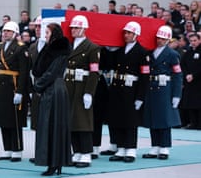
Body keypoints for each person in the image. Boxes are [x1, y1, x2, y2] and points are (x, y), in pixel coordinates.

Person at [107, 21, 150, 163]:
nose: (126, 35)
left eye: (129, 33)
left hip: (132, 89)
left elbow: (144, 76)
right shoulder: (120, 50)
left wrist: (140, 97)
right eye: (125, 33)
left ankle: (130, 149)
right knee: (118, 118)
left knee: (130, 120)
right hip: (118, 87)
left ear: (136, 34)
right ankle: (120, 148)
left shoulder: (142, 52)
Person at [32, 22, 71, 176]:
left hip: (53, 89)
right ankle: (55, 162)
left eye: (47, 32)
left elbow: (51, 73)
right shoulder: (52, 50)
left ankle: (54, 163)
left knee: (51, 126)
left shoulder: (59, 51)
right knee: (53, 126)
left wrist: (37, 86)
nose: (45, 35)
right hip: (54, 88)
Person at [142, 25, 182, 160]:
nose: (160, 40)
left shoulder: (172, 54)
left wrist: (177, 94)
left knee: (164, 119)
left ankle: (164, 147)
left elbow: (177, 74)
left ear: (168, 40)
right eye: (158, 37)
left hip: (165, 88)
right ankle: (155, 146)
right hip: (151, 86)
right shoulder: (150, 52)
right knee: (153, 117)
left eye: (163, 38)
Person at [65, 15, 100, 168]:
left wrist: (89, 93)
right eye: (72, 28)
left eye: (77, 28)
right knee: (71, 121)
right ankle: (77, 151)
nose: (74, 30)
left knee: (83, 121)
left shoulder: (92, 47)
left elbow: (94, 72)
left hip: (82, 86)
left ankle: (86, 153)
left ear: (84, 29)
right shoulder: (69, 46)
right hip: (69, 86)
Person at [0, 21, 29, 162]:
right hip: (1, 87)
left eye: (8, 31)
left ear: (14, 33)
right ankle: (7, 148)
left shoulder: (21, 48)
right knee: (2, 119)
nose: (5, 33)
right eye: (4, 31)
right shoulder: (0, 47)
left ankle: (17, 149)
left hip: (13, 86)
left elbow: (24, 72)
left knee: (14, 120)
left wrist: (20, 91)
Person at [28, 15, 45, 163]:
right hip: (36, 87)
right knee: (38, 122)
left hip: (49, 87)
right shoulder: (33, 47)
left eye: (40, 26)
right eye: (37, 27)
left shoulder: (52, 46)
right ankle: (39, 153)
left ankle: (49, 153)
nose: (38, 29)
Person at [180, 33, 201, 130]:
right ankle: (193, 123)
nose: (193, 43)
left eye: (195, 41)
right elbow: (182, 64)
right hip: (189, 81)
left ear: (199, 40)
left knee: (199, 103)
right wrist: (187, 75)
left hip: (199, 81)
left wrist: (194, 75)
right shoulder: (188, 52)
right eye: (191, 41)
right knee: (190, 102)